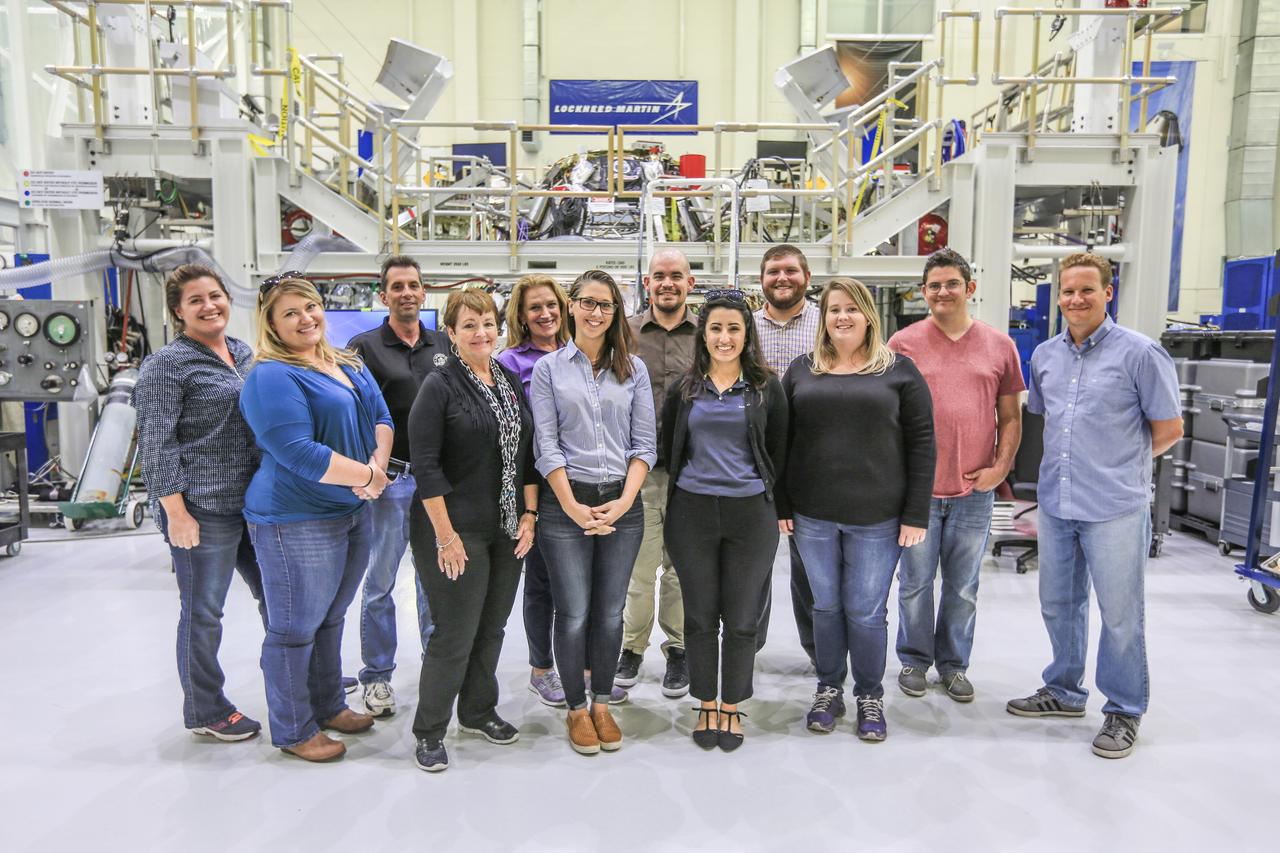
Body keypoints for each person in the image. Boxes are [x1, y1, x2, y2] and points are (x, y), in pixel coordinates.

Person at [1006, 252, 1182, 760]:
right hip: (1057, 503)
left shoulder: (1142, 354)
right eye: (1068, 291)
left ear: (1108, 292)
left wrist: (1121, 465)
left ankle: (1124, 709)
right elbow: (1046, 419)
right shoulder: (1045, 356)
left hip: (1115, 506)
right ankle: (1063, 691)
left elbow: (1170, 429)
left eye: (1087, 290)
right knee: (1059, 604)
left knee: (1120, 614)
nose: (1076, 299)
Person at [240, 276, 393, 762]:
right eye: (290, 313)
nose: (306, 318)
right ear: (271, 323)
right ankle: (293, 729)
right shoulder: (271, 376)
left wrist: (377, 469)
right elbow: (298, 452)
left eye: (310, 306)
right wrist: (367, 475)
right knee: (293, 629)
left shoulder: (345, 362)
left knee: (331, 618)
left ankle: (329, 705)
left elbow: (383, 418)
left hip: (351, 509)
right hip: (295, 518)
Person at [781, 278, 935, 743]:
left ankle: (869, 695)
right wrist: (782, 504)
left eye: (851, 308)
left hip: (878, 518)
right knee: (825, 606)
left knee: (866, 611)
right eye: (833, 310)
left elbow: (922, 444)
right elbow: (782, 443)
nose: (842, 317)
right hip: (813, 515)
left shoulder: (899, 371)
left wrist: (916, 513)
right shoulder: (802, 370)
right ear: (823, 318)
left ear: (868, 315)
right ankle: (828, 689)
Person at [408, 289, 539, 773]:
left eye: (487, 323)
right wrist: (445, 536)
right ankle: (429, 730)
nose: (481, 333)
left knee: (492, 627)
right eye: (469, 325)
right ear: (451, 332)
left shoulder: (507, 378)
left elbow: (526, 454)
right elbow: (425, 466)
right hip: (454, 529)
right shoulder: (439, 385)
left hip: (505, 528)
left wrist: (529, 514)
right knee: (455, 632)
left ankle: (478, 711)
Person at [135, 264, 266, 742]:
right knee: (204, 611)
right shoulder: (166, 366)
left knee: (278, 597)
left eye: (215, 296)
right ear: (178, 312)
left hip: (254, 503)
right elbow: (155, 445)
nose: (209, 306)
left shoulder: (242, 352)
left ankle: (299, 678)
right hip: (202, 509)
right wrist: (177, 513)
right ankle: (207, 709)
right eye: (196, 300)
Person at [889, 249, 1024, 703]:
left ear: (970, 288)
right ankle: (914, 659)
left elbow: (1011, 417)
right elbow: (888, 415)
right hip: (918, 492)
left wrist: (1000, 468)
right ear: (923, 292)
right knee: (914, 583)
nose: (943, 292)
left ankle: (953, 665)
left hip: (974, 491)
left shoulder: (999, 346)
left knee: (963, 587)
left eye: (952, 284)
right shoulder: (902, 344)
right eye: (934, 285)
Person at [530, 269, 656, 755]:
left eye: (606, 305)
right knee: (574, 612)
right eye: (588, 302)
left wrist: (623, 502)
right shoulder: (549, 369)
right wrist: (571, 506)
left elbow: (644, 444)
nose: (596, 312)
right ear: (572, 305)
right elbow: (546, 445)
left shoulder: (634, 369)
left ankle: (602, 703)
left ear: (616, 312)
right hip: (566, 505)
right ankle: (576, 708)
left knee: (609, 612)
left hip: (623, 502)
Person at [662, 290, 787, 751]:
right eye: (715, 328)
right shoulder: (684, 389)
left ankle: (732, 704)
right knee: (698, 616)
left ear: (747, 334)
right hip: (691, 513)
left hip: (750, 514)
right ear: (703, 335)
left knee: (741, 617)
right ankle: (705, 702)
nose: (724, 337)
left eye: (734, 328)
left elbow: (779, 450)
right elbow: (669, 448)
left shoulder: (766, 387)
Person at [347, 255, 445, 718]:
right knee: (381, 581)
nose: (407, 292)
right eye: (397, 286)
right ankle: (377, 676)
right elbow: (354, 413)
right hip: (392, 481)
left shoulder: (443, 344)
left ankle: (436, 668)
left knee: (434, 579)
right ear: (383, 295)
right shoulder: (364, 347)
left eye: (413, 285)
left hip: (437, 482)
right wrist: (367, 471)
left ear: (424, 292)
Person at [616, 248, 696, 698]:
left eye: (676, 276)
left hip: (691, 473)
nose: (667, 283)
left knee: (681, 569)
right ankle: (632, 647)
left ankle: (678, 649)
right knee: (640, 570)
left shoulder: (706, 335)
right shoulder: (624, 333)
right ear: (647, 283)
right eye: (659, 276)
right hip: (639, 473)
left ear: (689, 283)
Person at [496, 274, 571, 707]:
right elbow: (513, 434)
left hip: (582, 482)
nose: (545, 314)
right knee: (542, 581)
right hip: (536, 484)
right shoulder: (509, 362)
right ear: (521, 317)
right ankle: (542, 669)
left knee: (579, 585)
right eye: (535, 308)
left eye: (551, 305)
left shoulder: (580, 352)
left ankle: (581, 667)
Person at [753, 244, 820, 665]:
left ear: (806, 278)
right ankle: (747, 649)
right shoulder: (745, 326)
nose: (782, 278)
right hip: (752, 457)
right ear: (761, 279)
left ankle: (819, 651)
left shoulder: (826, 322)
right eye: (773, 271)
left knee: (810, 565)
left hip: (810, 457)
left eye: (791, 270)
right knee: (752, 564)